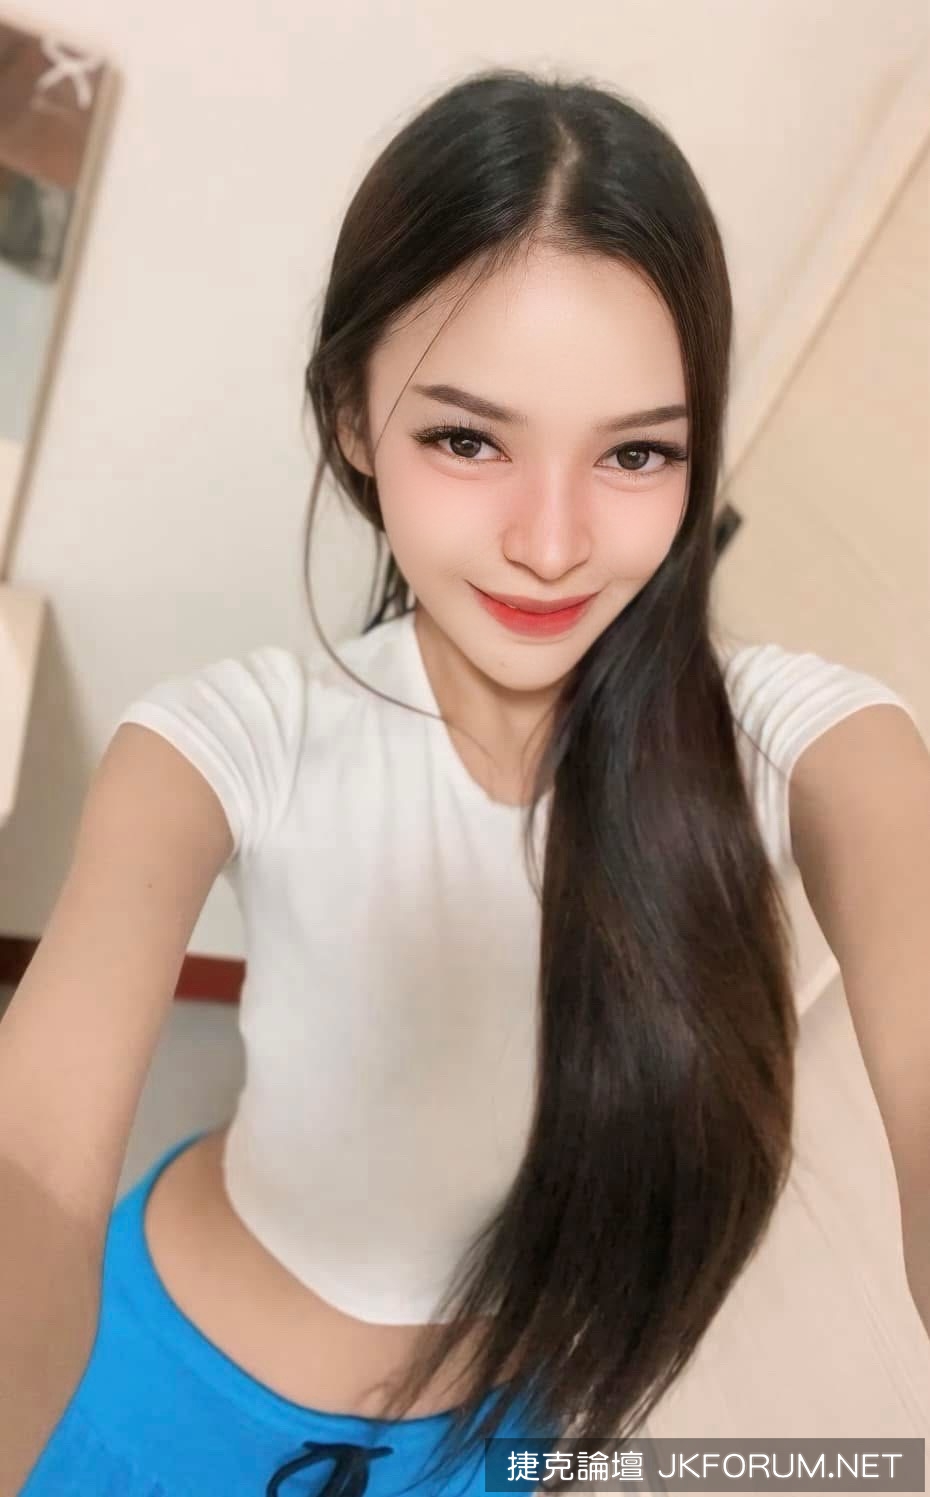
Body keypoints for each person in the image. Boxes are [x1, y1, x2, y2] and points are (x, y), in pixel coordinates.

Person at [1, 66, 922, 1497]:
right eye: (467, 438)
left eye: (635, 452)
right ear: (353, 420)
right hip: (158, 1387)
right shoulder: (221, 743)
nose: (550, 543)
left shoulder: (806, 741)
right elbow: (38, 1170)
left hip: (503, 1438)